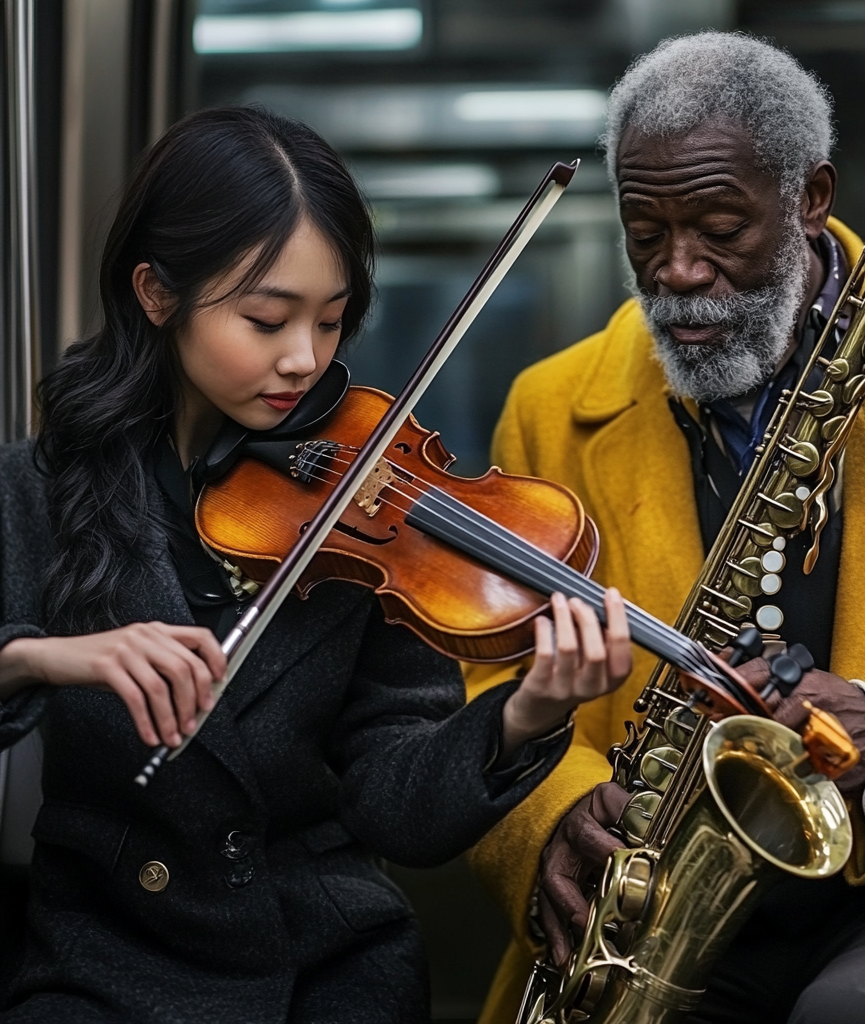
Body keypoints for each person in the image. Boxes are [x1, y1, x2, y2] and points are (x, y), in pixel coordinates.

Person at [0, 106, 633, 1024]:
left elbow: (394, 812)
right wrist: (43, 657)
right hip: (104, 967)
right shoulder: (40, 488)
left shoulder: (366, 496)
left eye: (331, 321)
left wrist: (526, 714)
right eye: (265, 320)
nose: (303, 359)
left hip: (325, 969)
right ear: (155, 292)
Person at [465, 32, 865, 1024]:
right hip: (660, 901)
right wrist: (549, 820)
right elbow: (483, 682)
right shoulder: (546, 409)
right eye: (644, 232)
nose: (676, 271)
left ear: (811, 197)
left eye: (720, 226)